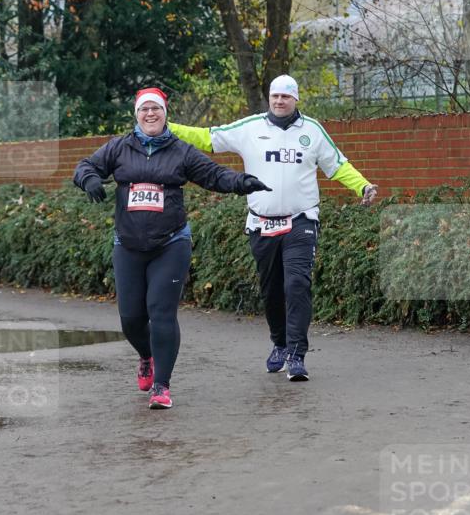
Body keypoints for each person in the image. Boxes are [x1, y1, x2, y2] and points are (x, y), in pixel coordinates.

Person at [169, 75, 378, 381]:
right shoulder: (250, 128)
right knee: (272, 290)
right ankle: (279, 344)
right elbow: (207, 138)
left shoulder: (312, 131)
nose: (280, 101)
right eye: (275, 96)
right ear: (269, 98)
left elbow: (338, 165)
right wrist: (166, 125)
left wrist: (362, 187)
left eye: (286, 96)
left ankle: (296, 354)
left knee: (297, 284)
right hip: (262, 224)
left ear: (296, 100)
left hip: (301, 220)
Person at [73, 87, 271, 409]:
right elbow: (85, 165)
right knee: (130, 318)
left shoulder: (181, 151)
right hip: (128, 245)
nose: (150, 114)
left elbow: (214, 175)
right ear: (136, 115)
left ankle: (161, 386)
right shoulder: (120, 148)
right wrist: (90, 180)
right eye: (144, 110)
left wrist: (241, 182)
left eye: (156, 109)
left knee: (161, 312)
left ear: (166, 113)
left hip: (171, 243)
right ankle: (147, 356)